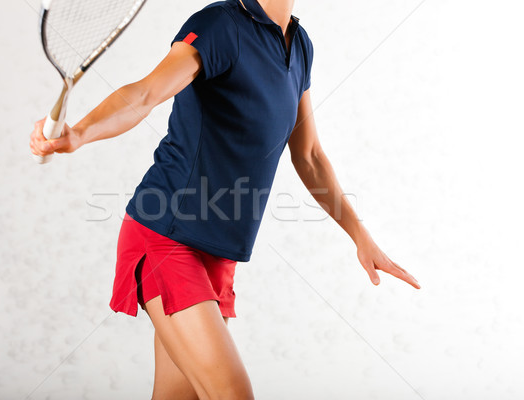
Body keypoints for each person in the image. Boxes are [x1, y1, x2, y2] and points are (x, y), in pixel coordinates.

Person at [30, 0, 421, 398]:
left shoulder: (300, 45)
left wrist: (360, 234)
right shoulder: (219, 25)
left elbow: (309, 155)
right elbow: (147, 93)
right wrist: (79, 133)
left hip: (219, 255)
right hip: (166, 237)